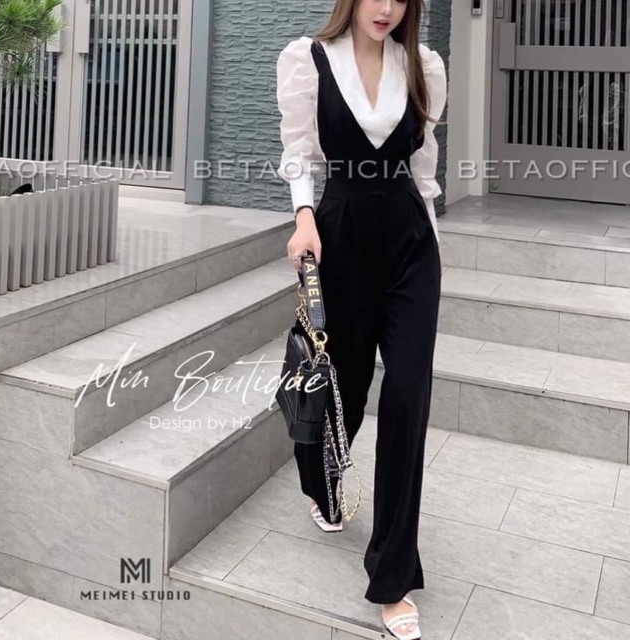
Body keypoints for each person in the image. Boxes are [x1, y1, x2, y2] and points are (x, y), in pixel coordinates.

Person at [275, 0, 447, 638]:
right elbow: (299, 151)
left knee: (408, 393)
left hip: (410, 247)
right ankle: (321, 485)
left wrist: (433, 245)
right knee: (341, 384)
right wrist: (303, 219)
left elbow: (423, 170)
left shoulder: (424, 64)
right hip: (340, 237)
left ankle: (393, 576)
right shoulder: (309, 59)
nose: (387, 7)